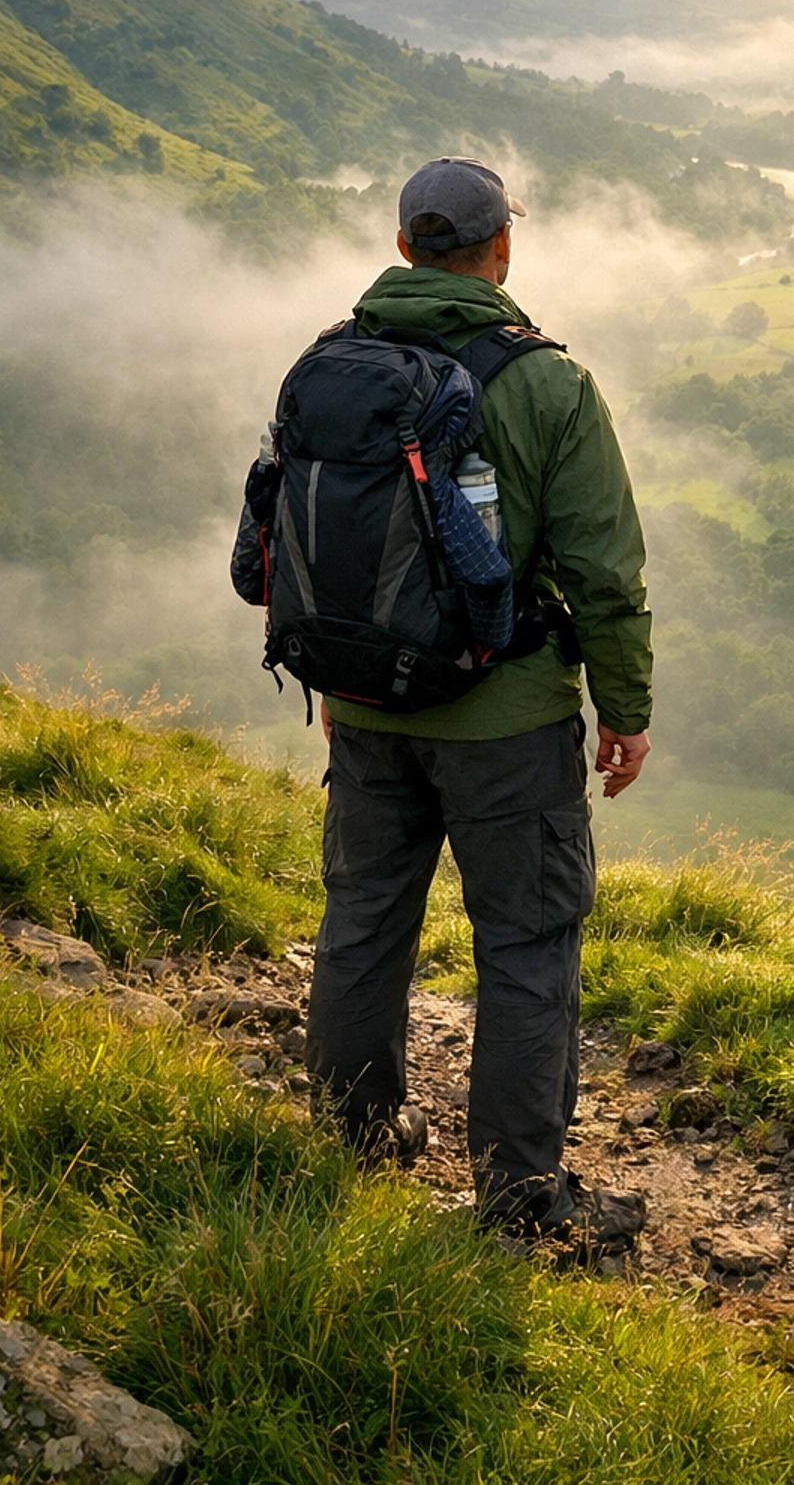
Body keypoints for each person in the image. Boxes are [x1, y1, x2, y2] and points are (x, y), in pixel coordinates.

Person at [303, 157, 653, 1256]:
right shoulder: (549, 385)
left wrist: (339, 674)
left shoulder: (329, 365)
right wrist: (625, 706)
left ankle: (352, 1138)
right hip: (507, 725)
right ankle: (518, 1191)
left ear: (407, 248)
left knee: (364, 921)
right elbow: (603, 571)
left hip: (364, 705)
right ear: (503, 248)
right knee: (526, 943)